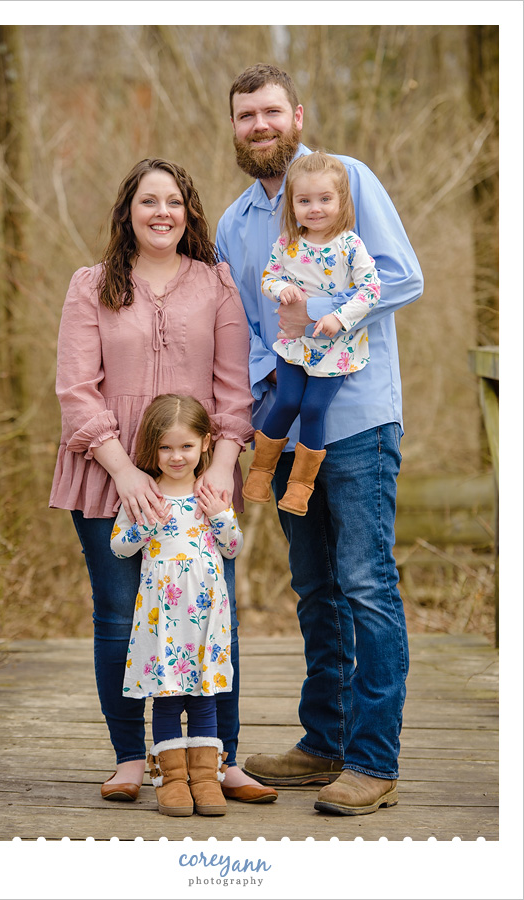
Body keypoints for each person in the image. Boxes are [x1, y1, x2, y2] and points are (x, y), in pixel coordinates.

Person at [216, 64, 424, 816]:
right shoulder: (235, 223)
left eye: (272, 110)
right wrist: (258, 390)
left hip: (359, 418)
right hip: (288, 421)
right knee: (314, 589)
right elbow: (239, 327)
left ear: (297, 115)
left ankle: (374, 759)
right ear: (235, 127)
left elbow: (402, 276)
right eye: (246, 115)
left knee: (366, 585)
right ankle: (324, 740)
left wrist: (315, 313)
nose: (260, 124)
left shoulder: (348, 180)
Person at [50, 157, 276, 805]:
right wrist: (122, 470)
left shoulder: (217, 284)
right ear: (128, 213)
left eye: (173, 202)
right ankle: (132, 758)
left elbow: (235, 389)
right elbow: (75, 389)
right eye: (148, 202)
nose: (161, 213)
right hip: (106, 473)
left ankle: (221, 758)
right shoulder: (91, 286)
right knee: (120, 618)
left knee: (212, 617)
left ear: (189, 213)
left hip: (194, 479)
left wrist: (223, 466)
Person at [110, 394, 247, 817]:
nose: (175, 456)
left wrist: (222, 515)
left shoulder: (210, 494)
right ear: (153, 449)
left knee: (205, 698)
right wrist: (142, 526)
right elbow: (117, 547)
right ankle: (172, 781)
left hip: (206, 615)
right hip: (163, 620)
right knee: (167, 697)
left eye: (186, 446)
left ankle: (207, 779)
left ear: (206, 443)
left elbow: (232, 548)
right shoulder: (146, 496)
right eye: (166, 447)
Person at [242, 151, 380, 516]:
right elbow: (269, 277)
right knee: (286, 401)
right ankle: (260, 472)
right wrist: (280, 290)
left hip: (336, 348)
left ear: (341, 201)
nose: (314, 208)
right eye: (304, 201)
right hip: (294, 344)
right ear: (293, 204)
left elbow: (371, 290)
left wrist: (339, 317)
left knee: (313, 408)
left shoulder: (351, 246)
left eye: (324, 199)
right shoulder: (288, 243)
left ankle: (300, 488)